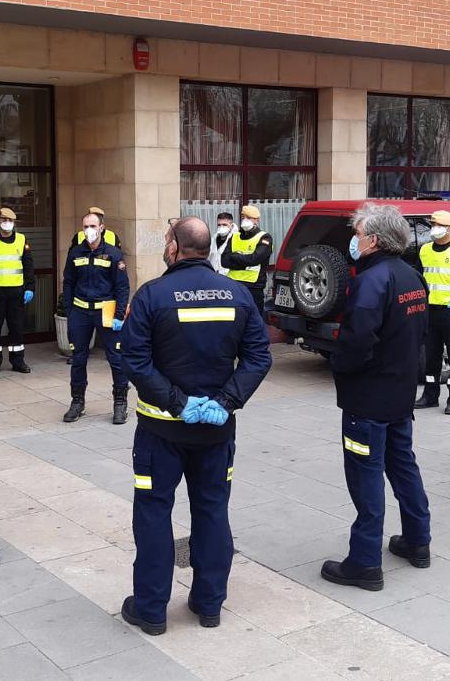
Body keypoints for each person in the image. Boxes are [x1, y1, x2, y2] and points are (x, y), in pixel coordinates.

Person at [119, 216, 272, 635]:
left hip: (160, 432)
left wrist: (177, 403)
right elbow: (260, 357)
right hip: (216, 432)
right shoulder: (238, 294)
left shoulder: (152, 295)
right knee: (212, 512)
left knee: (153, 514)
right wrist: (224, 402)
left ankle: (150, 609)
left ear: (175, 247)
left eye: (168, 240)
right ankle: (209, 605)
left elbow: (134, 360)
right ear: (206, 248)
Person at [321, 203, 432, 592]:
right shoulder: (412, 276)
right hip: (399, 393)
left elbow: (357, 341)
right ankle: (418, 540)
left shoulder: (372, 281)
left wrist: (340, 367)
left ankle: (364, 562)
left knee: (366, 478)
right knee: (403, 467)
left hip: (368, 400)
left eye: (357, 233)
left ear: (373, 240)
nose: (354, 239)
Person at [61, 212, 129, 424]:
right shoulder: (75, 252)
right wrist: (69, 312)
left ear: (102, 228)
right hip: (80, 312)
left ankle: (120, 404)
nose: (89, 230)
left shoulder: (113, 254)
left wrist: (119, 315)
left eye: (92, 225)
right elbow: (68, 282)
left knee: (115, 359)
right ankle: (77, 402)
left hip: (105, 311)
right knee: (78, 359)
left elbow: (122, 287)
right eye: (85, 226)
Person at [413, 210, 450, 415]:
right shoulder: (424, 250)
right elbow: (420, 282)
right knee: (431, 357)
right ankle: (430, 395)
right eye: (433, 225)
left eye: (440, 226)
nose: (435, 229)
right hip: (430, 311)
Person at [0, 207, 34, 376]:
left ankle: (17, 360)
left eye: (10, 221)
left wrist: (30, 287)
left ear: (14, 223)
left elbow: (28, 265)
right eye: (4, 220)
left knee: (17, 327)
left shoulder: (21, 239)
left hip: (17, 292)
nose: (7, 224)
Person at [219, 205, 273, 312]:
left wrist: (234, 256)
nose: (245, 220)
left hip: (254, 287)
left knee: (254, 321)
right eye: (243, 217)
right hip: (234, 285)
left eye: (248, 218)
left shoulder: (264, 238)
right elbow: (224, 261)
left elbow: (254, 259)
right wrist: (245, 262)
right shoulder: (234, 236)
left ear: (256, 221)